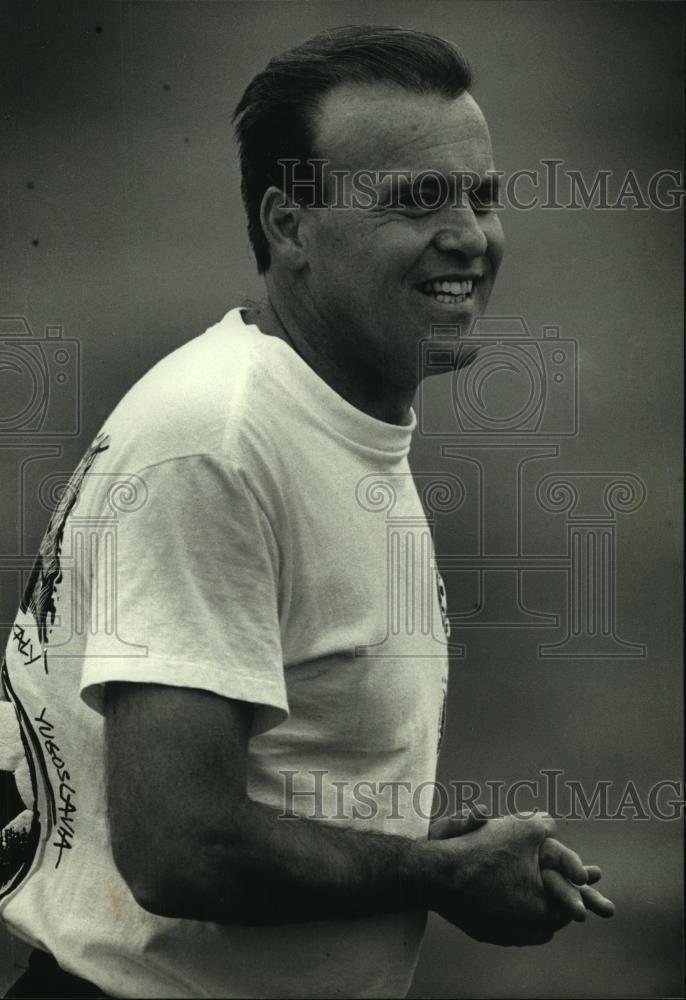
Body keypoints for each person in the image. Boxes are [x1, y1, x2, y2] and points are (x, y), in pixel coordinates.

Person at [0, 24, 614, 1000]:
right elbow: (178, 847)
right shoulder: (218, 440)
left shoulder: (339, 414)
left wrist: (409, 847)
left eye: (481, 195)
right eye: (416, 200)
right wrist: (435, 874)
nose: (469, 235)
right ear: (289, 225)